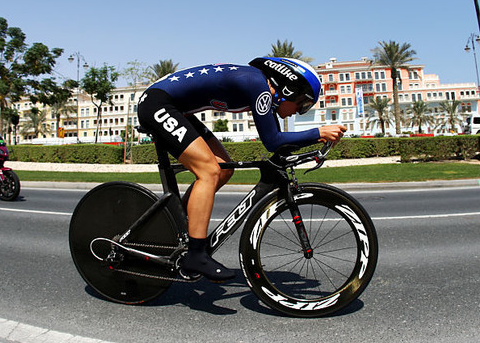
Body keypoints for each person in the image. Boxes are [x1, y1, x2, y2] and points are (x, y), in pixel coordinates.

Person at [137, 57, 347, 282]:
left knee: (224, 169)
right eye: (303, 105)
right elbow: (272, 141)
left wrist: (309, 148)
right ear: (289, 88)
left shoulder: (260, 86)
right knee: (209, 172)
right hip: (158, 104)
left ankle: (183, 226)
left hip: (174, 107)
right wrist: (318, 133)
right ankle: (196, 255)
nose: (299, 112)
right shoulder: (259, 87)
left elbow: (280, 144)